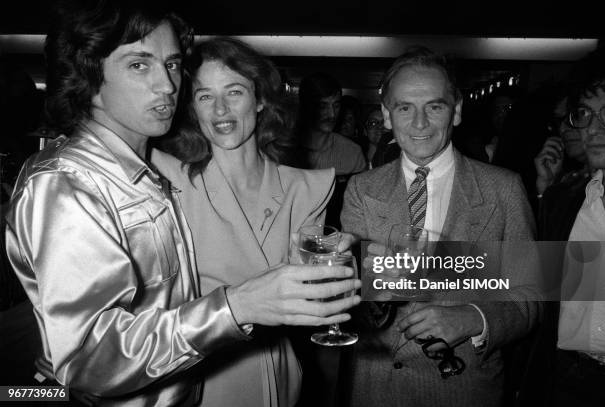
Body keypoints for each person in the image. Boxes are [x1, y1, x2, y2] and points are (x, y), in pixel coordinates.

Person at [4, 2, 360, 405]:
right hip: (198, 379)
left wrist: (397, 273)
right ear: (88, 74)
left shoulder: (144, 177)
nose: (168, 86)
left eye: (172, 65)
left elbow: (363, 284)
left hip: (242, 378)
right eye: (140, 65)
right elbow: (87, 358)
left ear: (261, 100)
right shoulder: (84, 181)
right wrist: (238, 306)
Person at [152, 37, 355, 407]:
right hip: (200, 376)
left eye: (234, 92)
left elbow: (307, 299)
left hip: (280, 374)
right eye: (204, 96)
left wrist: (338, 268)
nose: (220, 109)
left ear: (260, 99)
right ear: (191, 108)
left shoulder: (303, 188)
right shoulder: (167, 177)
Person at [340, 46, 539, 407]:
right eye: (404, 108)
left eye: (434, 106)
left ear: (457, 110)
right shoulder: (362, 189)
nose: (420, 123)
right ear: (386, 115)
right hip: (378, 387)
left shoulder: (504, 189)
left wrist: (473, 317)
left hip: (464, 388)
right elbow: (357, 295)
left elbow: (529, 292)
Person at [525, 45, 605, 407]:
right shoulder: (565, 199)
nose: (593, 129)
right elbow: (539, 287)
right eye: (585, 114)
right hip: (567, 379)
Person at [297, 72, 366, 176]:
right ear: (305, 106)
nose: (332, 114)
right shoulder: (282, 149)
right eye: (322, 106)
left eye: (336, 105)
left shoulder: (352, 152)